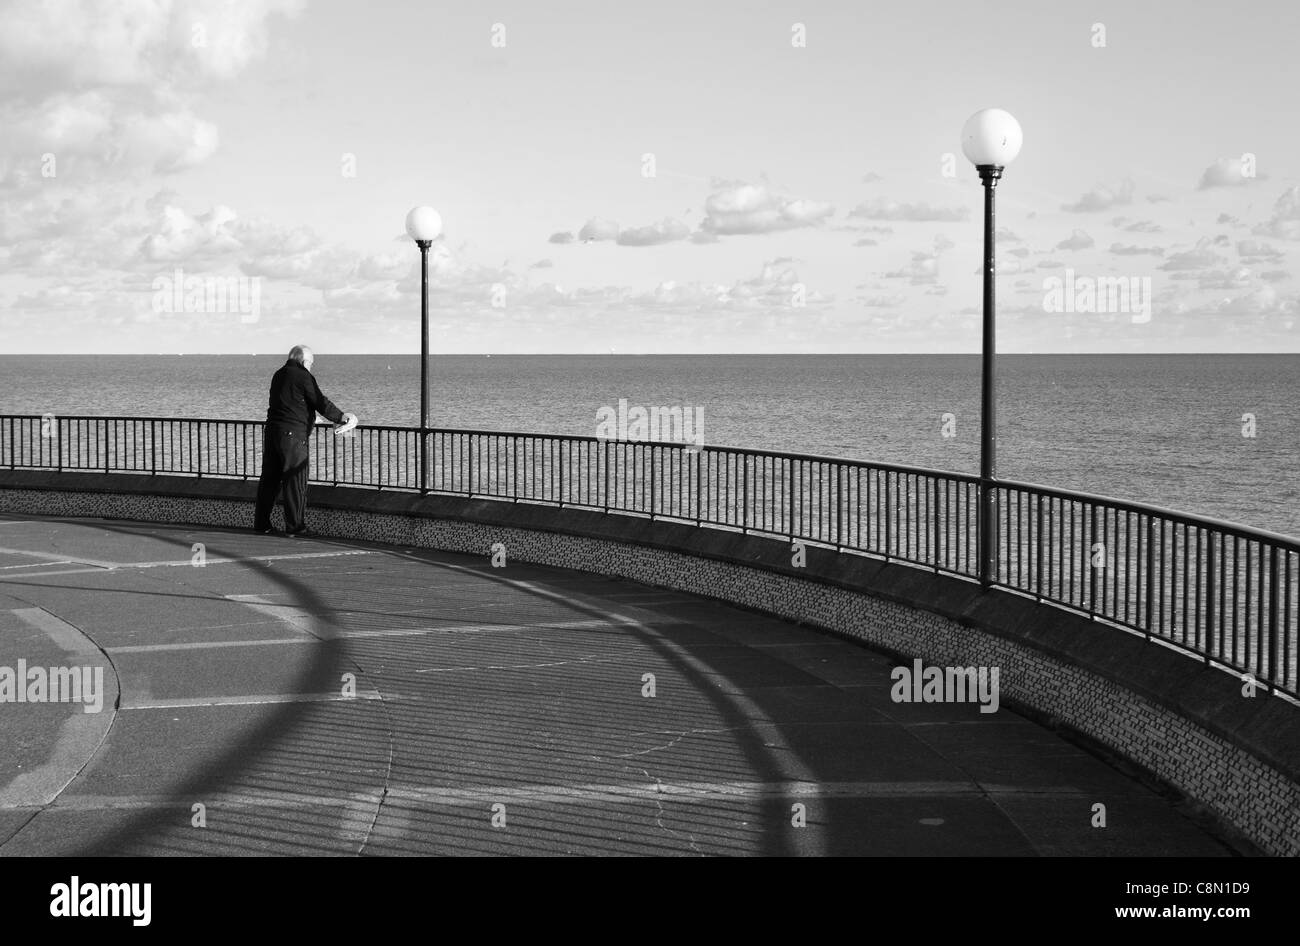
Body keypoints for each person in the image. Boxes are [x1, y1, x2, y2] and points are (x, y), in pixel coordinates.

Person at [253, 345, 355, 536]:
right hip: (293, 437)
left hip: (273, 432)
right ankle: (295, 527)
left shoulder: (279, 374)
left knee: (269, 481)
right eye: (311, 363)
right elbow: (319, 401)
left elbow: (290, 402)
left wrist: (308, 416)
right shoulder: (303, 375)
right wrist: (341, 417)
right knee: (295, 482)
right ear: (305, 361)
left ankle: (261, 524)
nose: (311, 367)